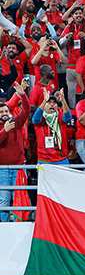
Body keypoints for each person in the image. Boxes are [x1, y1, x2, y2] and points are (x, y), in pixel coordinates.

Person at [0, 82, 29, 222]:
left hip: (18, 168)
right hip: (2, 170)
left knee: (20, 199)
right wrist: (5, 130)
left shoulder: (16, 123)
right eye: (1, 112)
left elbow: (26, 111)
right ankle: (4, 227)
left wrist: (22, 95)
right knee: (4, 200)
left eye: (6, 111)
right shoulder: (5, 127)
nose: (4, 114)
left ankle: (19, 225)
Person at [31, 88, 72, 164]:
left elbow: (68, 117)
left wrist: (63, 100)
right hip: (44, 160)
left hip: (61, 159)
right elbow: (35, 120)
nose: (52, 104)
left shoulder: (60, 115)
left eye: (54, 102)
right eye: (49, 102)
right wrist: (44, 101)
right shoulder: (41, 117)